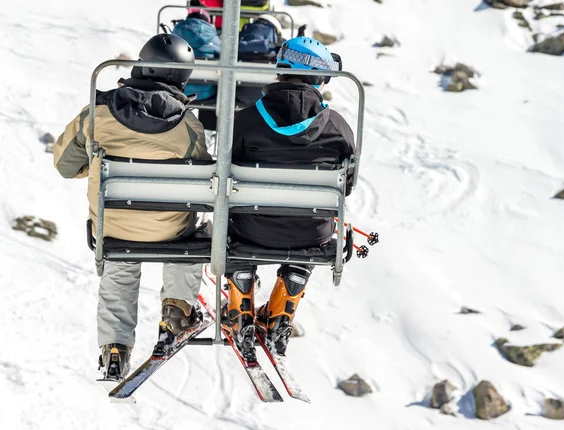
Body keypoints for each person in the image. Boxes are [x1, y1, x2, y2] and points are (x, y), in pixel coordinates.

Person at [53, 34, 212, 381]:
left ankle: (114, 349)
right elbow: (205, 184)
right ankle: (177, 309)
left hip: (113, 225)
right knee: (194, 237)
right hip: (170, 230)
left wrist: (92, 166)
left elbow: (65, 165)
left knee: (120, 265)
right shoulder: (189, 126)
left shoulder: (97, 113)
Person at [222, 36, 355, 361]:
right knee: (311, 225)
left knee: (231, 221)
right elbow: (346, 186)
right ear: (319, 78)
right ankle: (284, 304)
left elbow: (225, 176)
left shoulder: (245, 119)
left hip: (251, 228)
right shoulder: (337, 127)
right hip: (312, 231)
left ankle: (241, 302)